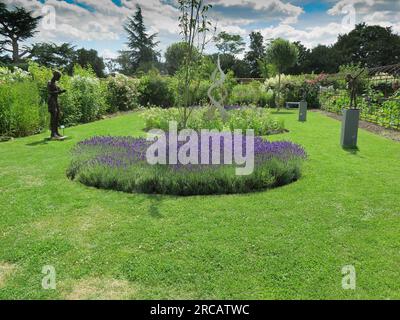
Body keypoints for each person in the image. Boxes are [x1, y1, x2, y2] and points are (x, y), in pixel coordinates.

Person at [47, 71, 66, 139]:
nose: (59, 78)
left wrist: (61, 91)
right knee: (53, 116)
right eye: (58, 77)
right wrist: (59, 91)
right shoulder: (50, 83)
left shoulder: (55, 83)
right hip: (51, 101)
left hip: (55, 100)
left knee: (57, 116)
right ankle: (53, 133)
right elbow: (50, 92)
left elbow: (57, 92)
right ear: (55, 76)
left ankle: (56, 132)